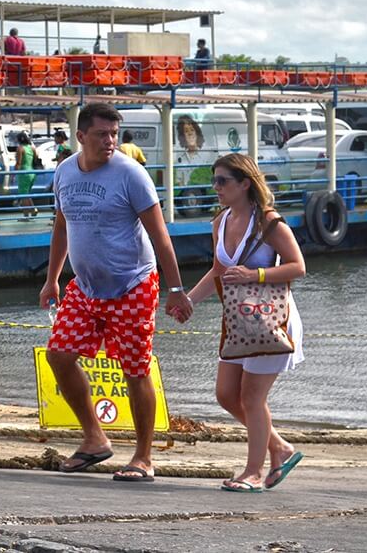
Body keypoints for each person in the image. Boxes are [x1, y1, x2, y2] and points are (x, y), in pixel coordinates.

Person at [40, 102, 188, 483]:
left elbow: (160, 237)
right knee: (58, 355)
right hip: (86, 286)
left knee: (135, 370)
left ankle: (143, 457)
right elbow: (61, 226)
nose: (110, 141)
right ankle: (94, 438)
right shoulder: (65, 172)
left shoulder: (131, 174)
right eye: (102, 134)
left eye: (114, 134)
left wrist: (175, 289)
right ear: (81, 136)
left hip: (133, 284)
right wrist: (51, 277)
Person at [175, 153, 306, 492]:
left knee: (251, 397)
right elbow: (218, 272)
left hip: (272, 319)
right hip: (237, 320)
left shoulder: (269, 222)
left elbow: (298, 266)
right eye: (214, 180)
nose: (215, 187)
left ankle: (253, 471)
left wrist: (255, 273)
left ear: (244, 183)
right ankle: (279, 447)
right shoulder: (220, 222)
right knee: (225, 394)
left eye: (223, 181)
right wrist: (189, 300)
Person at [15, 131, 37, 219]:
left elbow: (18, 163)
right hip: (32, 172)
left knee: (23, 195)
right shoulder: (32, 148)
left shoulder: (20, 148)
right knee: (27, 193)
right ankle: (33, 209)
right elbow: (35, 159)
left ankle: (25, 215)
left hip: (24, 173)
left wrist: (13, 174)